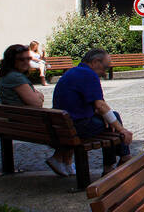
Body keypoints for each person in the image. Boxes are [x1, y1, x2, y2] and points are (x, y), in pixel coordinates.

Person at [50, 49, 133, 178]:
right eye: (105, 68)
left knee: (111, 120)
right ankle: (119, 160)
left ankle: (117, 161)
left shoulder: (72, 72)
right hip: (76, 126)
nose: (105, 73)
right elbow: (100, 105)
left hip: (63, 125)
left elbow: (95, 105)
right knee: (112, 124)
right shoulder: (89, 75)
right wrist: (122, 130)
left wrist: (105, 115)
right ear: (95, 62)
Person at [0, 44, 44, 108]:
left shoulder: (7, 75)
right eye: (21, 59)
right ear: (11, 60)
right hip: (23, 116)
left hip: (13, 115)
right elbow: (37, 103)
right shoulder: (15, 77)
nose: (26, 62)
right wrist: (38, 95)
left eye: (28, 58)